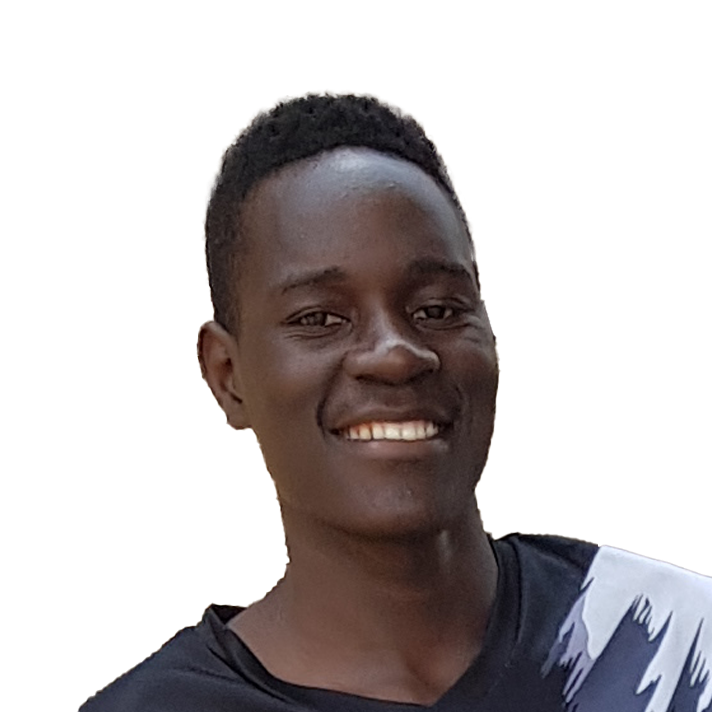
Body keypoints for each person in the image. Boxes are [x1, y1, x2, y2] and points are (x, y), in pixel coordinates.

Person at [79, 90, 711, 712]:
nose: (396, 355)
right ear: (227, 374)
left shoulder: (677, 646)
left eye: (437, 309)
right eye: (319, 318)